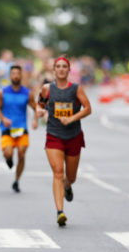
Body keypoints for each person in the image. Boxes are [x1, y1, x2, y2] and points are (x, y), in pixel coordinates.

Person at [37, 56, 92, 227]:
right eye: (58, 66)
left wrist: (72, 118)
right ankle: (60, 212)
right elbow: (40, 104)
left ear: (69, 70)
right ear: (54, 70)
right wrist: (40, 112)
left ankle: (68, 186)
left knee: (71, 176)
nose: (61, 69)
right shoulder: (47, 89)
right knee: (58, 172)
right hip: (54, 135)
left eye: (64, 67)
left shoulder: (76, 89)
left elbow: (88, 109)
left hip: (73, 135)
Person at [0, 65, 39, 193]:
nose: (15, 76)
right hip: (7, 128)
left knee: (21, 154)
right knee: (8, 153)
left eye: (18, 73)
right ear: (10, 75)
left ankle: (16, 180)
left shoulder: (27, 93)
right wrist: (3, 119)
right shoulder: (2, 92)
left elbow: (35, 108)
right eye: (13, 73)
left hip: (22, 128)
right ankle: (8, 159)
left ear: (21, 76)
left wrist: (35, 120)